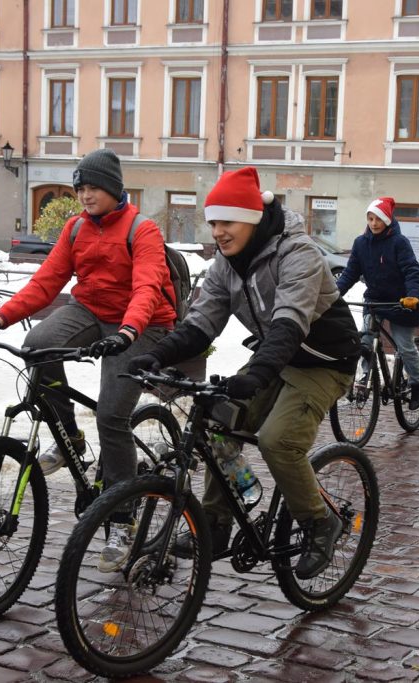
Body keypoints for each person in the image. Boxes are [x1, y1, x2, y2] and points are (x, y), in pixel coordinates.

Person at [127, 166, 360, 580]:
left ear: (253, 218)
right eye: (213, 221)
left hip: (324, 361)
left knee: (278, 441)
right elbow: (201, 322)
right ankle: (216, 525)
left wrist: (256, 376)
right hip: (278, 355)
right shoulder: (225, 264)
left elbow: (289, 323)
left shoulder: (298, 254)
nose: (217, 231)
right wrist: (157, 356)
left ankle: (321, 522)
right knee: (217, 422)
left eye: (227, 221)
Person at [0, 148, 177, 571]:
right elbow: (46, 282)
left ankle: (122, 518)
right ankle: (70, 439)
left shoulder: (141, 229)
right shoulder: (76, 229)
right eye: (80, 188)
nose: (85, 195)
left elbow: (148, 287)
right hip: (91, 310)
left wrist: (129, 332)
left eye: (93, 187)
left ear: (114, 190)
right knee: (37, 344)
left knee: (112, 415)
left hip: (143, 321)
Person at [335, 196, 419, 409]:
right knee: (364, 343)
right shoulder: (360, 243)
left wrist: (413, 295)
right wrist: (334, 294)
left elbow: (412, 271)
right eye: (370, 218)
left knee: (404, 347)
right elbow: (350, 273)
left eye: (378, 219)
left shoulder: (399, 242)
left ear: (386, 219)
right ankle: (365, 378)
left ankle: (418, 384)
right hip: (374, 301)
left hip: (401, 302)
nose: (374, 223)